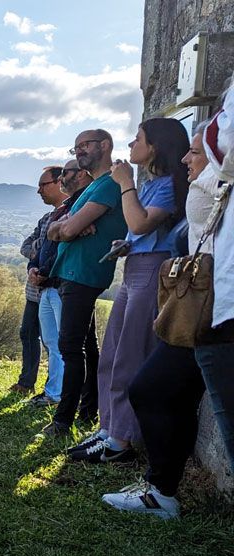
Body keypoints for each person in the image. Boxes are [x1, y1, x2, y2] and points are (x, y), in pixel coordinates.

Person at [101, 129, 230, 518]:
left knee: (157, 388)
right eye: (188, 152)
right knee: (160, 390)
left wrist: (125, 183)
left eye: (196, 154)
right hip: (203, 305)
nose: (187, 162)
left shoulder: (211, 187)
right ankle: (161, 490)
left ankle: (157, 486)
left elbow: (143, 224)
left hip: (217, 308)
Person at [68, 118, 189, 463]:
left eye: (137, 139)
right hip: (135, 265)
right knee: (111, 355)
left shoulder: (164, 185)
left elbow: (138, 220)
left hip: (152, 271)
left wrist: (124, 184)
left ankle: (121, 441)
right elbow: (140, 229)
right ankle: (109, 428)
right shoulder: (151, 184)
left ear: (154, 147)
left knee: (130, 356)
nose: (130, 145)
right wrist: (129, 242)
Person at [41, 130, 129, 437]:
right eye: (75, 147)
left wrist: (67, 228)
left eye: (85, 145)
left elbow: (65, 231)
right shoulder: (93, 188)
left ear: (104, 146)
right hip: (71, 273)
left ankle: (62, 421)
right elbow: (57, 229)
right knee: (86, 346)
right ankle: (89, 410)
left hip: (83, 275)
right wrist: (65, 226)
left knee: (70, 346)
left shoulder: (107, 186)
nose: (79, 152)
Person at [29, 161, 92, 407]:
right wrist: (35, 268)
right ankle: (54, 392)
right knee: (52, 343)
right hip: (47, 286)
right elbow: (44, 246)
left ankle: (69, 398)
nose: (38, 190)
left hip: (63, 285)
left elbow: (64, 242)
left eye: (66, 173)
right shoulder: (62, 210)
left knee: (68, 346)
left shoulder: (81, 206)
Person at [15, 167, 68, 395]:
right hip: (34, 289)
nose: (38, 191)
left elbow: (52, 248)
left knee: (55, 342)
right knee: (28, 333)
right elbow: (26, 247)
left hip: (54, 287)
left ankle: (54, 389)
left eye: (43, 185)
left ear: (59, 182)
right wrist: (34, 264)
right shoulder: (46, 218)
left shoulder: (70, 213)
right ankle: (27, 382)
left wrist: (41, 250)